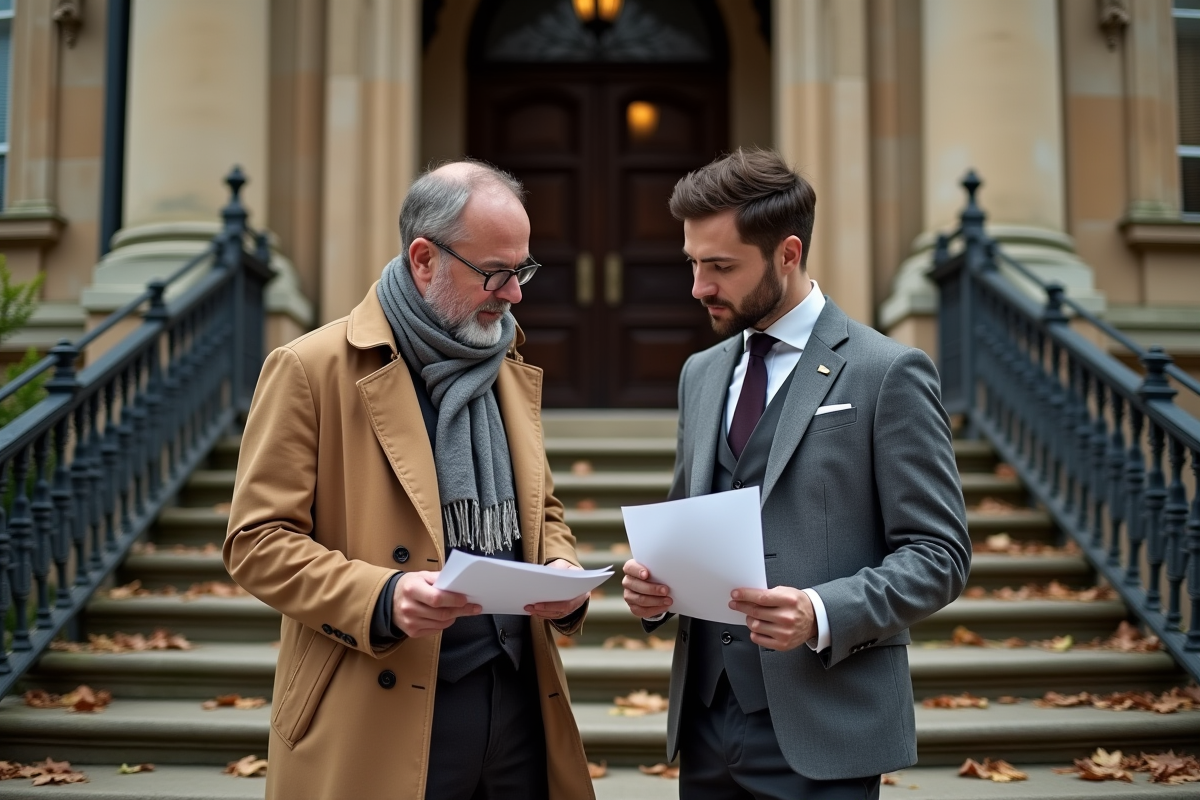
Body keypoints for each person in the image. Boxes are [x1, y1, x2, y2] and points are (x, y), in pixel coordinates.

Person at [225, 160, 595, 800]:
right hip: (379, 706)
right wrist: (382, 595)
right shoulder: (309, 367)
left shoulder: (505, 360)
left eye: (523, 270)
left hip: (519, 708)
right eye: (497, 274)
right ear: (424, 259)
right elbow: (257, 542)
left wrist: (560, 569)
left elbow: (544, 508)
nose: (515, 295)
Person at [621, 148, 971, 800]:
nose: (699, 287)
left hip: (826, 725)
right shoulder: (700, 374)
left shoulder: (886, 371)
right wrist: (654, 587)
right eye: (693, 264)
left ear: (787, 253)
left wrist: (819, 611)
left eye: (720, 266)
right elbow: (687, 522)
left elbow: (939, 555)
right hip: (705, 726)